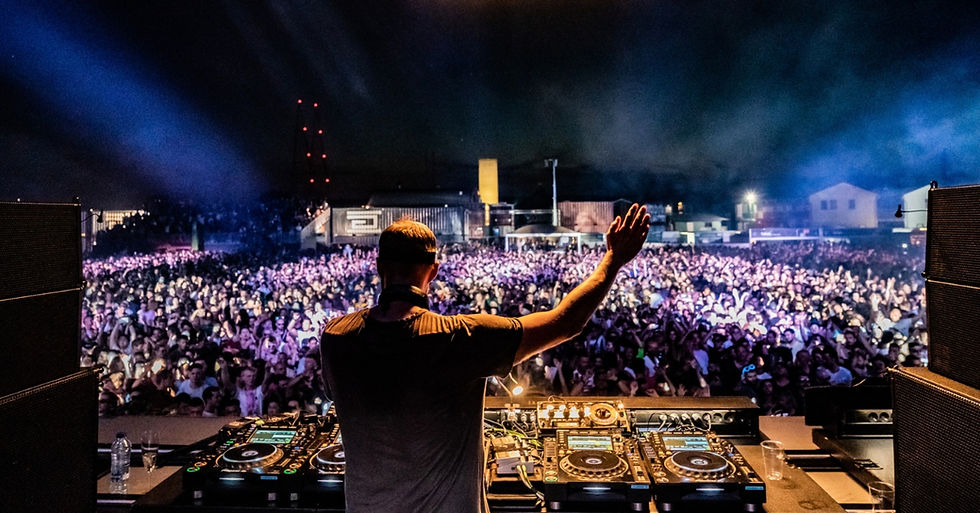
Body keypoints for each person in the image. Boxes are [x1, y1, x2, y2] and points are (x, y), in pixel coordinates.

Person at [319, 205, 649, 513]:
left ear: (379, 266)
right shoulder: (459, 338)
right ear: (434, 271)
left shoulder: (336, 338)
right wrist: (613, 260)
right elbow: (565, 323)